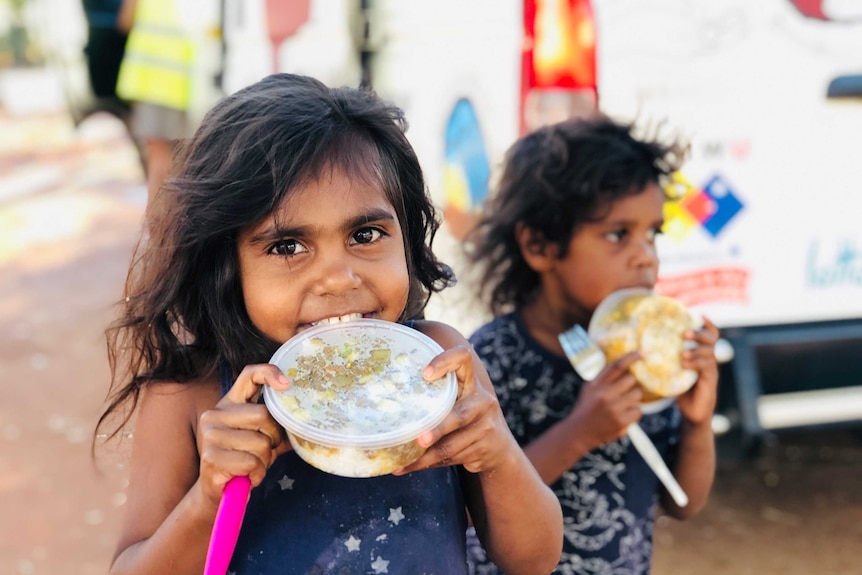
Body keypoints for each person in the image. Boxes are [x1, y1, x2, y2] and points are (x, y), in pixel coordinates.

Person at [96, 72, 563, 575]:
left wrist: (497, 455)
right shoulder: (191, 395)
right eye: (287, 247)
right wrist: (209, 496)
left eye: (365, 234)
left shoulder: (435, 364)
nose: (339, 280)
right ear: (226, 265)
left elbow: (533, 560)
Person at [462, 115, 720, 574]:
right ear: (539, 245)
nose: (646, 256)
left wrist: (696, 423)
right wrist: (581, 431)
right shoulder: (490, 361)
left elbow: (682, 501)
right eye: (618, 234)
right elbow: (472, 513)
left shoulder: (644, 362)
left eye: (653, 233)